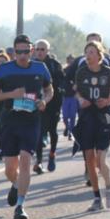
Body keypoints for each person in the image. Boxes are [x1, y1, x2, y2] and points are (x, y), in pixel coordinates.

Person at [0, 34, 54, 219]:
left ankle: (20, 205)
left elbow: (50, 89)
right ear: (14, 52)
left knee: (26, 160)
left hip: (31, 119)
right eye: (19, 51)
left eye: (26, 51)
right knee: (10, 168)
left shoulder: (40, 68)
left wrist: (44, 100)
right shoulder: (4, 70)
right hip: (9, 119)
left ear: (31, 50)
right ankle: (16, 184)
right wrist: (12, 94)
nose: (23, 55)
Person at [74, 40, 110, 210]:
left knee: (100, 159)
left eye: (91, 52)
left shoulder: (108, 72)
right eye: (86, 52)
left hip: (103, 118)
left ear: (98, 55)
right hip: (86, 118)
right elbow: (77, 90)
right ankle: (97, 198)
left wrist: (108, 101)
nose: (88, 55)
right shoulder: (81, 72)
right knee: (89, 159)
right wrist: (81, 100)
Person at [32, 40, 66, 173]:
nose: (40, 52)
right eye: (38, 49)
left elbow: (62, 81)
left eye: (43, 49)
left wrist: (61, 89)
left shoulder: (54, 65)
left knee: (52, 131)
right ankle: (39, 161)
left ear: (48, 51)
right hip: (37, 103)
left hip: (53, 103)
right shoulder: (31, 64)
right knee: (39, 132)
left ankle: (52, 154)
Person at [61, 54, 80, 139]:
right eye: (69, 60)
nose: (70, 61)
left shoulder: (77, 71)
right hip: (65, 96)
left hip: (73, 96)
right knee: (65, 116)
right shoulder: (64, 70)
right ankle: (67, 127)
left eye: (72, 60)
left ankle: (71, 132)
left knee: (72, 116)